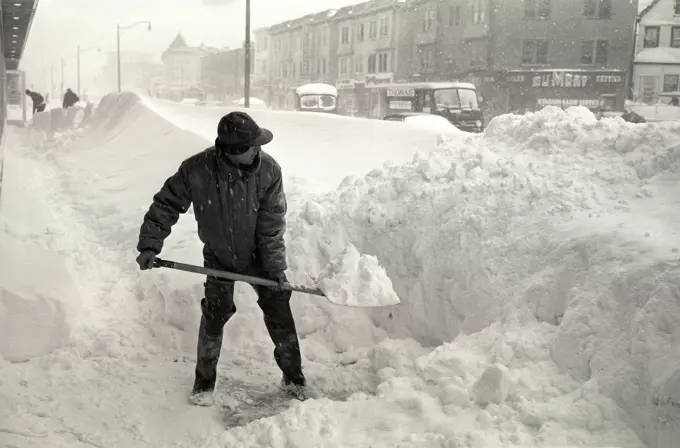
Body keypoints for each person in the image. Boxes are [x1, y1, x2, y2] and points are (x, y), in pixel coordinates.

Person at [135, 111, 306, 406]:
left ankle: (293, 377)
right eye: (253, 145)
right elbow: (167, 203)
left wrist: (276, 267)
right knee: (215, 313)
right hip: (218, 255)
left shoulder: (269, 170)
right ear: (234, 151)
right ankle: (204, 382)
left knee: (279, 308)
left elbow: (271, 224)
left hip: (259, 257)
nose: (259, 149)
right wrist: (150, 244)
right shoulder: (196, 170)